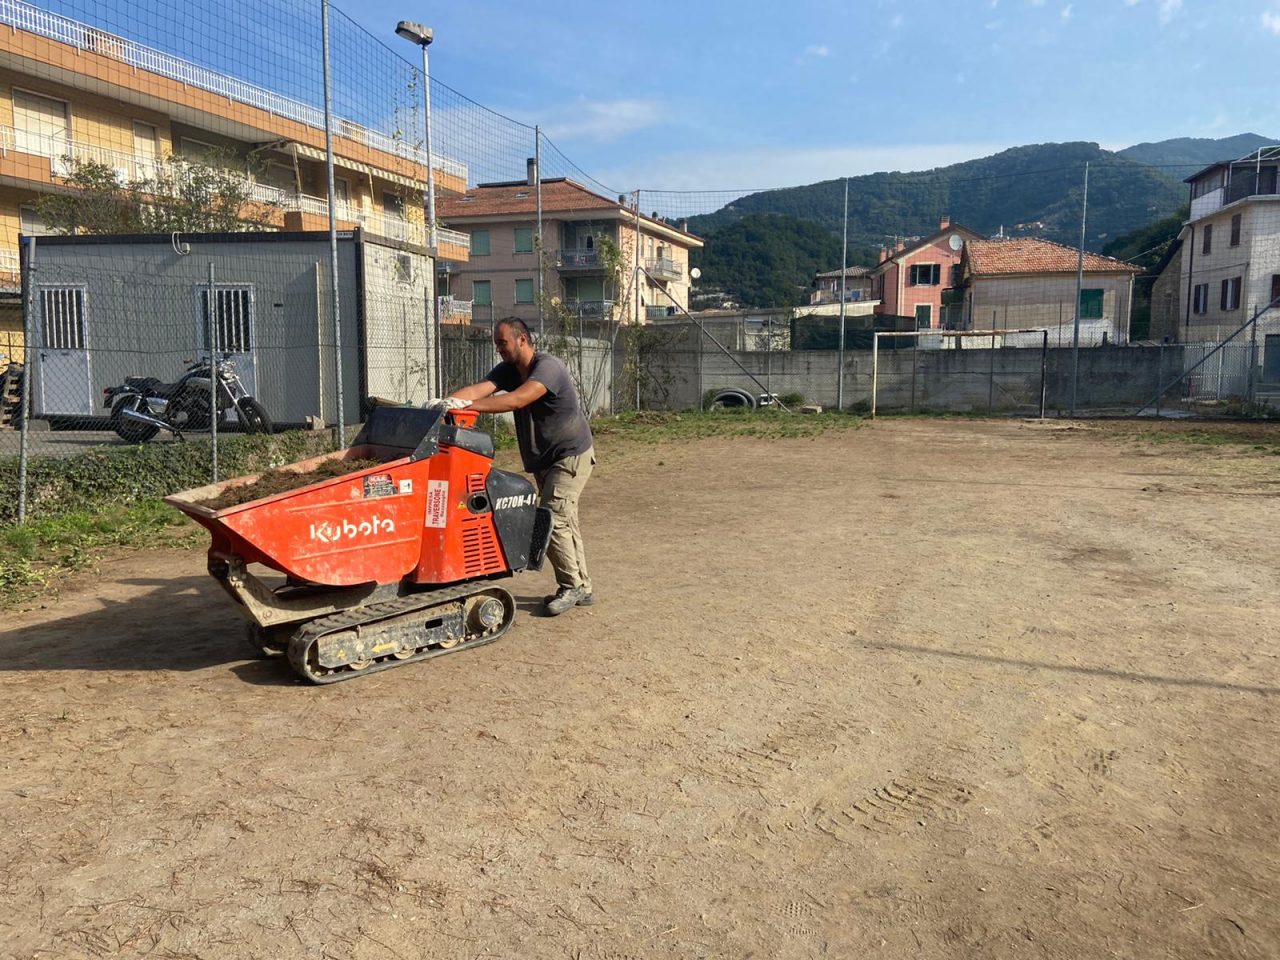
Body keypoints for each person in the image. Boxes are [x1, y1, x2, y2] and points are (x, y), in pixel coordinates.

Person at [434, 318, 595, 616]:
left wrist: (466, 407)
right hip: (545, 457)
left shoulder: (547, 367)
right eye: (497, 343)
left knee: (552, 518)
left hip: (570, 453)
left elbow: (518, 400)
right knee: (565, 519)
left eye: (502, 342)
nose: (499, 349)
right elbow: (479, 389)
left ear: (521, 340)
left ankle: (570, 586)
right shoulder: (509, 370)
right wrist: (448, 402)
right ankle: (582, 586)